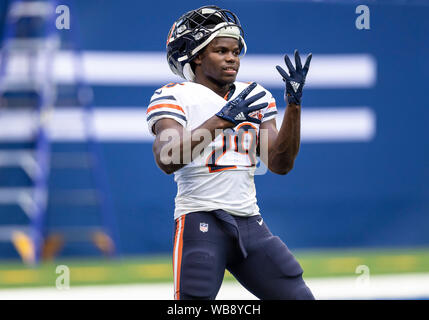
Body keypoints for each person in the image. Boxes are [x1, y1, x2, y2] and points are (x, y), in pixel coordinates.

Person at [146, 5, 314, 300]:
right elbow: (167, 158)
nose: (232, 59)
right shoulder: (175, 94)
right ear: (197, 55)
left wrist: (294, 106)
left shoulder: (254, 95)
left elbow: (280, 163)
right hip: (200, 220)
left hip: (250, 223)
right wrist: (222, 120)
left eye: (235, 51)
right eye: (221, 51)